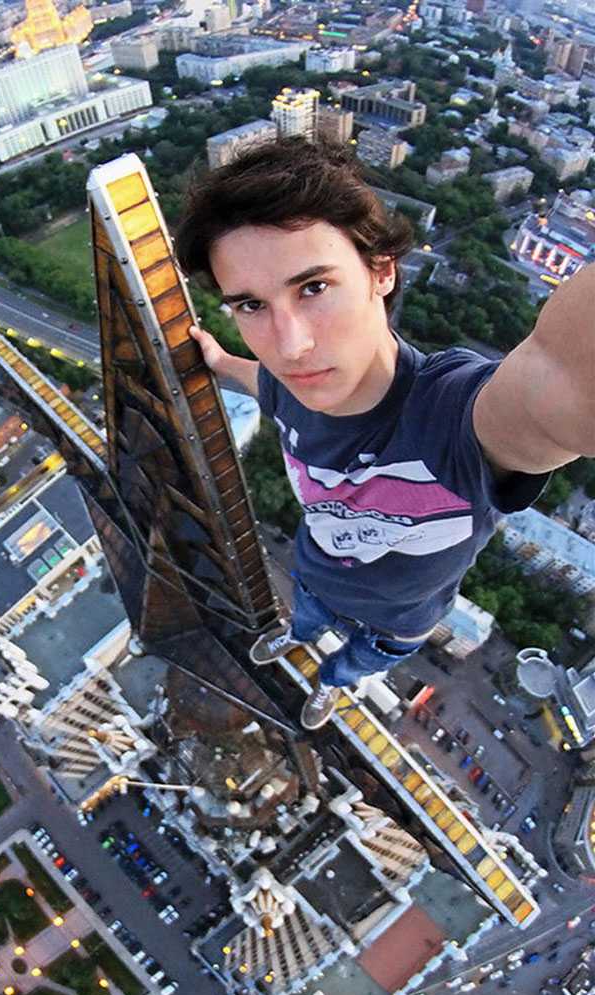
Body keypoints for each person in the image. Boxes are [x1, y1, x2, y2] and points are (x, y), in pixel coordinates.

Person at [174, 138, 594, 730]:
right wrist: (217, 360)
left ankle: (330, 685)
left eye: (314, 287)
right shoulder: (287, 383)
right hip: (315, 576)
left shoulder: (451, 418)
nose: (290, 345)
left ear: (381, 272)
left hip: (398, 621)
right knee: (303, 622)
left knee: (352, 666)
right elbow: (261, 379)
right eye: (249, 305)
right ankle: (294, 639)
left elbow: (568, 379)